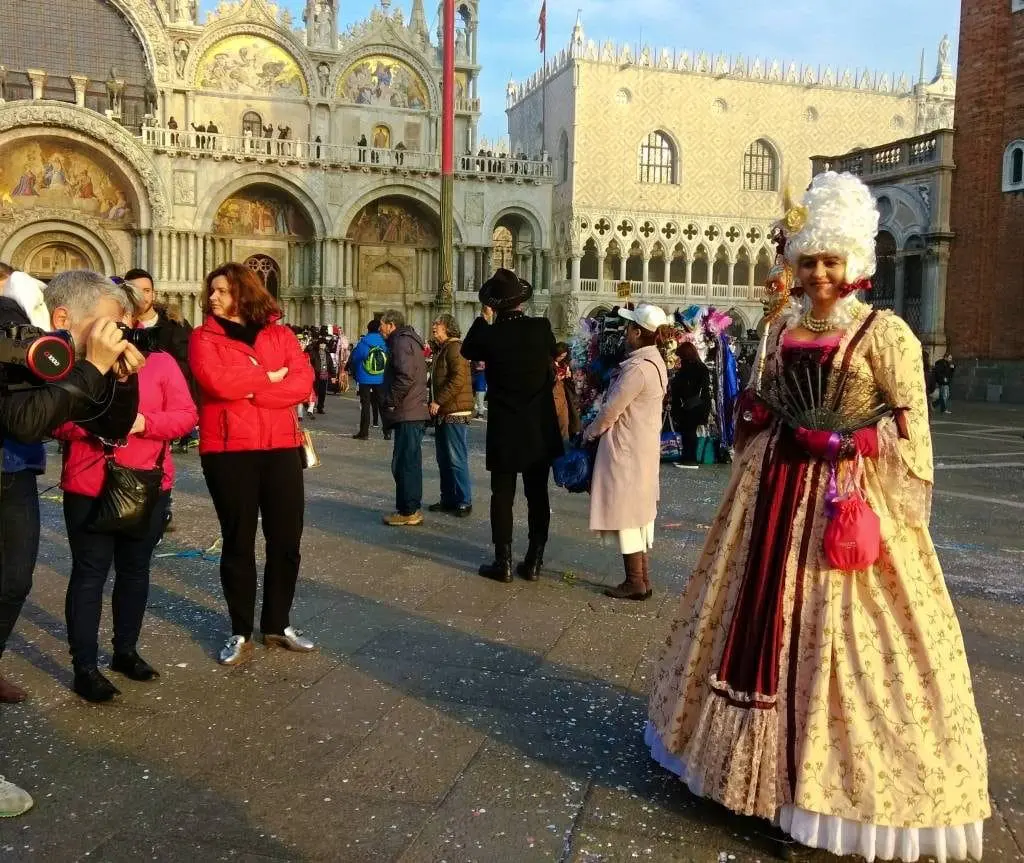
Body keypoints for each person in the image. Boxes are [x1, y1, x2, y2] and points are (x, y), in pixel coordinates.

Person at [646, 172, 989, 860]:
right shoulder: (783, 328)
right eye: (811, 261)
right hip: (774, 495)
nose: (821, 274)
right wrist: (757, 418)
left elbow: (911, 425)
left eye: (832, 260)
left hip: (845, 498)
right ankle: (749, 775)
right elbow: (766, 399)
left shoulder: (884, 333)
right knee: (756, 618)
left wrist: (851, 439)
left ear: (853, 261)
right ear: (796, 264)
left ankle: (826, 792)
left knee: (847, 639)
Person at [0, 268, 144, 817]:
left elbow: (109, 425)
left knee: (13, 587)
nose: (117, 337)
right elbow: (24, 418)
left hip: (13, 478)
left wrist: (120, 377)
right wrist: (92, 366)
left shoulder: (74, 356)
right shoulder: (11, 327)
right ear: (64, 321)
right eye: (109, 326)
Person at [53, 290, 196, 702]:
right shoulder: (79, 367)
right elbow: (57, 423)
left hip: (148, 483)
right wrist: (104, 423)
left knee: (135, 571)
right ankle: (84, 668)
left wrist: (141, 423)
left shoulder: (162, 363)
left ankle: (125, 651)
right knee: (89, 575)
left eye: (121, 318)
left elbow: (187, 417)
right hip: (89, 485)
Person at [189, 263, 315, 666]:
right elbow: (218, 384)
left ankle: (278, 624)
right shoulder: (202, 337)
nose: (213, 298)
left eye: (222, 291)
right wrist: (271, 379)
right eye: (212, 291)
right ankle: (239, 629)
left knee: (287, 539)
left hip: (280, 447)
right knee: (238, 541)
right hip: (229, 451)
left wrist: (255, 388)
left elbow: (303, 383)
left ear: (244, 293)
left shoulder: (281, 335)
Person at [462, 269, 562, 582]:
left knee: (502, 494)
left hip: (505, 426)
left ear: (495, 305)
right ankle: (534, 559)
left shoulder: (491, 335)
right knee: (537, 494)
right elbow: (552, 350)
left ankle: (502, 561)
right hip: (538, 426)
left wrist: (484, 317)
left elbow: (468, 348)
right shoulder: (540, 327)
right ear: (520, 302)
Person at [122, 268, 197, 454]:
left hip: (162, 415)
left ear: (153, 293)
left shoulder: (175, 325)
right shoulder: (117, 326)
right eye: (135, 291)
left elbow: (189, 363)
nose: (141, 296)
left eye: (146, 291)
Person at [379, 310, 429, 526]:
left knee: (404, 463)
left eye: (381, 324)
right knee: (409, 461)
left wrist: (391, 400)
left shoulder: (400, 342)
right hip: (412, 411)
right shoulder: (409, 341)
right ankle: (411, 507)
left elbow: (405, 376)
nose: (379, 328)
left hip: (407, 412)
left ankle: (408, 510)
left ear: (391, 325)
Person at [428, 314, 473, 518]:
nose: (434, 327)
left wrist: (439, 401)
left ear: (448, 328)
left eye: (437, 324)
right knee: (444, 458)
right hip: (444, 411)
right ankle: (448, 498)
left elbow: (458, 379)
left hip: (454, 410)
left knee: (456, 458)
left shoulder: (455, 348)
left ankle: (464, 500)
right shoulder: (443, 348)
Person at [669, 341, 712, 464]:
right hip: (699, 404)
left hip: (690, 405)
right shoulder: (701, 367)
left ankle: (689, 458)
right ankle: (689, 457)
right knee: (690, 432)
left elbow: (682, 386)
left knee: (688, 432)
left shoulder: (688, 368)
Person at [349, 319, 388, 440]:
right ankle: (387, 431)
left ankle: (364, 432)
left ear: (368, 329)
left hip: (365, 377)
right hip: (380, 377)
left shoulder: (363, 342)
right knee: (382, 404)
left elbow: (355, 358)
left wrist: (355, 373)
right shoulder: (384, 342)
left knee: (365, 405)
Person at [552, 342, 579, 444]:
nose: (561, 358)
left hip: (563, 396)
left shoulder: (564, 364)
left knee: (565, 424)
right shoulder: (550, 364)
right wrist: (556, 378)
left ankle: (565, 451)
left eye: (564, 356)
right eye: (560, 356)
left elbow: (569, 383)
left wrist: (568, 375)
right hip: (555, 397)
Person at [306, 334, 337, 415]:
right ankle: (311, 407)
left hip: (324, 375)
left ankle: (320, 407)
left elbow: (331, 365)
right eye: (321, 343)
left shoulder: (327, 354)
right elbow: (308, 363)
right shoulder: (313, 353)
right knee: (314, 392)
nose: (323, 345)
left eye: (324, 344)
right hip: (315, 374)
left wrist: (333, 375)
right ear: (319, 344)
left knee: (322, 392)